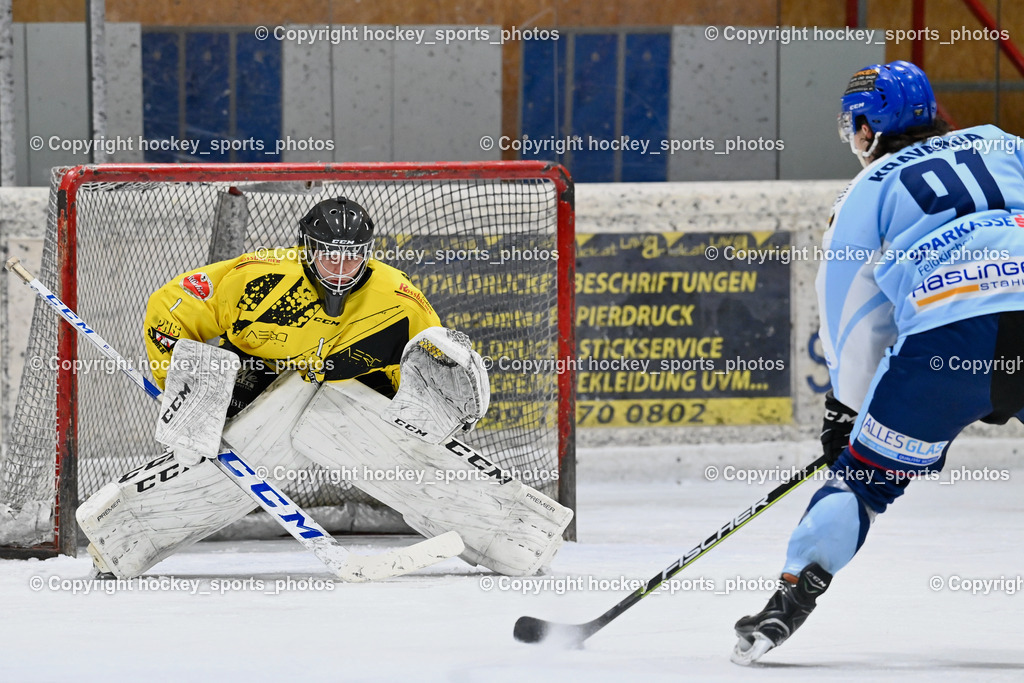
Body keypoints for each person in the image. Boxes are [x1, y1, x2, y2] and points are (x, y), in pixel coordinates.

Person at [732, 60, 1024, 664]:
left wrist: (847, 411)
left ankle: (789, 601)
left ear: (867, 127)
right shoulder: (1002, 143)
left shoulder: (865, 192)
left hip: (953, 340)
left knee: (862, 483)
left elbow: (853, 313)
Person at [144, 195, 441, 410]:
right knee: (235, 391)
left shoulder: (401, 299)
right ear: (308, 249)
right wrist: (181, 391)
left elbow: (431, 358)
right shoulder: (259, 277)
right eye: (330, 257)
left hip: (345, 393)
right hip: (257, 377)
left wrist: (417, 415)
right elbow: (171, 305)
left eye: (351, 258)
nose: (340, 270)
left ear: (366, 254)